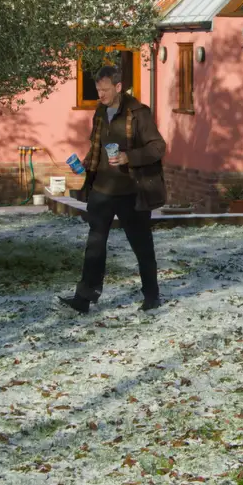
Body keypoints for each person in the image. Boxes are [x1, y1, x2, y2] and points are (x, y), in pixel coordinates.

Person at [57, 64, 166, 313]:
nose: (101, 95)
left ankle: (152, 295)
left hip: (131, 192)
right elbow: (98, 148)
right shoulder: (100, 111)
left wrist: (130, 157)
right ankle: (84, 298)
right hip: (102, 191)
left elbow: (158, 147)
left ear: (118, 87)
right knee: (95, 246)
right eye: (97, 90)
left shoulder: (139, 113)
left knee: (142, 246)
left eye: (105, 90)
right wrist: (85, 166)